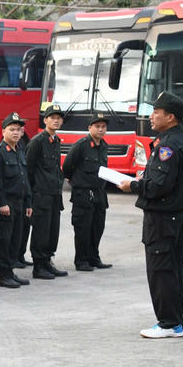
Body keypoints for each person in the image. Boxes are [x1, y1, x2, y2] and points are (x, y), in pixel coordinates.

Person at [119, 92, 183, 338]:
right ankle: (176, 320)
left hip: (163, 219)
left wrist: (132, 185)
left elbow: (158, 187)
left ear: (170, 117)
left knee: (161, 271)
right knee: (173, 269)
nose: (151, 117)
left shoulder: (168, 145)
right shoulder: (177, 139)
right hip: (173, 218)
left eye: (156, 113)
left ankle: (168, 324)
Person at [62, 113, 113, 271]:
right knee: (83, 228)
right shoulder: (82, 145)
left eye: (103, 127)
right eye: (97, 126)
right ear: (89, 128)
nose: (100, 129)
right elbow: (67, 165)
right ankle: (82, 260)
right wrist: (74, 180)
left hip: (99, 192)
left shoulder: (104, 145)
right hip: (83, 193)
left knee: (97, 227)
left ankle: (94, 257)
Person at [26, 104, 68, 280]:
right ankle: (38, 266)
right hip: (40, 195)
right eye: (53, 117)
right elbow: (28, 170)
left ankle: (47, 261)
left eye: (59, 118)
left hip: (54, 194)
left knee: (52, 231)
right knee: (41, 232)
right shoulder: (37, 141)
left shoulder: (56, 141)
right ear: (45, 120)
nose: (56, 120)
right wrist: (29, 198)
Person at [0, 113, 32, 289]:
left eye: (18, 129)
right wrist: (2, 203)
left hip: (20, 203)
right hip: (6, 203)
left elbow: (25, 178)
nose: (16, 133)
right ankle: (3, 275)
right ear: (3, 131)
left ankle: (10, 271)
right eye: (12, 129)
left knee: (16, 239)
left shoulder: (20, 150)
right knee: (3, 239)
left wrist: (29, 202)